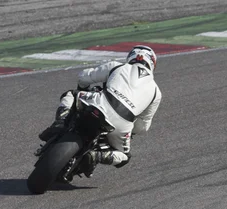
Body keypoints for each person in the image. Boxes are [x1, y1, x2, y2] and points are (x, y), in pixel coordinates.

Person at [39, 45, 162, 177]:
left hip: (100, 102)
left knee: (70, 95)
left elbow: (84, 77)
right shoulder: (156, 93)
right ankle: (97, 156)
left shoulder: (117, 66)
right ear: (152, 64)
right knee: (124, 157)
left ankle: (60, 122)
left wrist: (83, 90)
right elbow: (143, 126)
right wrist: (130, 131)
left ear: (131, 56)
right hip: (122, 123)